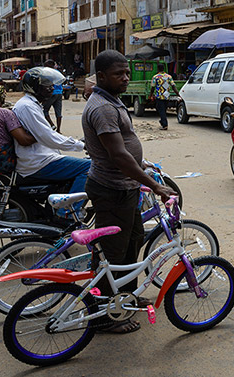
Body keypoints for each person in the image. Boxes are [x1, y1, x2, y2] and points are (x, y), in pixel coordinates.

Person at [82, 50, 175, 334]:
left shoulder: (112, 101)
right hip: (112, 190)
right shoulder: (103, 108)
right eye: (118, 74)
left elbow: (124, 146)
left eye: (127, 72)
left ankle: (126, 298)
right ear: (101, 77)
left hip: (125, 189)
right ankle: (100, 316)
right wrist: (154, 185)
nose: (125, 78)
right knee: (112, 255)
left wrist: (142, 164)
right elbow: (118, 156)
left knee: (133, 241)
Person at [13, 67, 90, 203]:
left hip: (42, 158)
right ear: (34, 87)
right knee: (89, 167)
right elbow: (48, 137)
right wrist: (81, 145)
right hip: (38, 162)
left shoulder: (33, 105)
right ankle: (68, 214)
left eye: (52, 85)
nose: (52, 88)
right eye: (47, 85)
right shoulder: (27, 107)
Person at [41, 59, 65, 133]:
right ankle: (58, 129)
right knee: (58, 112)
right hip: (59, 93)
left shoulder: (47, 73)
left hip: (51, 93)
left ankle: (52, 125)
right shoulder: (57, 72)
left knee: (44, 110)